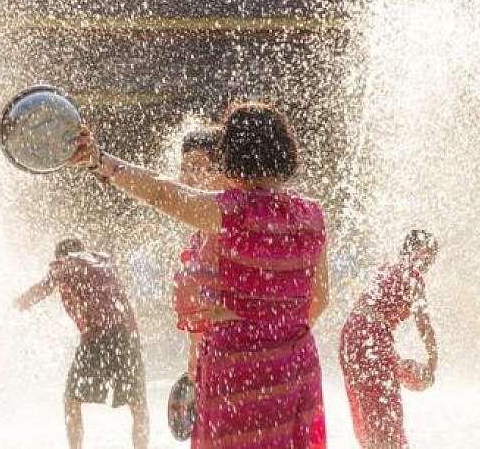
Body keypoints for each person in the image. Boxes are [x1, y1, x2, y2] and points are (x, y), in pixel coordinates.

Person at [70, 102, 330, 448]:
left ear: (231, 155)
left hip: (237, 363)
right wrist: (281, 337)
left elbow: (160, 192)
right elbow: (321, 297)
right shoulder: (312, 215)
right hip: (296, 364)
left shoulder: (233, 211)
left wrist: (99, 160)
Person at [14, 238, 149, 449]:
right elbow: (124, 305)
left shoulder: (66, 263)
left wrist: (18, 304)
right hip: (126, 336)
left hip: (96, 339)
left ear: (60, 256)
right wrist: (136, 341)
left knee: (71, 400)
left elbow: (44, 287)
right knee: (138, 403)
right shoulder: (102, 262)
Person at [339, 230, 439, 449]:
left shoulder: (387, 268)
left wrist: (401, 368)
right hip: (371, 337)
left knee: (370, 408)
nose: (430, 263)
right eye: (430, 255)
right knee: (385, 412)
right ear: (418, 252)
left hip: (351, 334)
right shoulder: (412, 276)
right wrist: (433, 360)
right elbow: (423, 322)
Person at [173, 127, 229, 381]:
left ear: (223, 172)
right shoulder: (200, 236)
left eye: (197, 168)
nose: (187, 177)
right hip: (206, 369)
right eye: (184, 168)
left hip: (228, 365)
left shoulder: (229, 228)